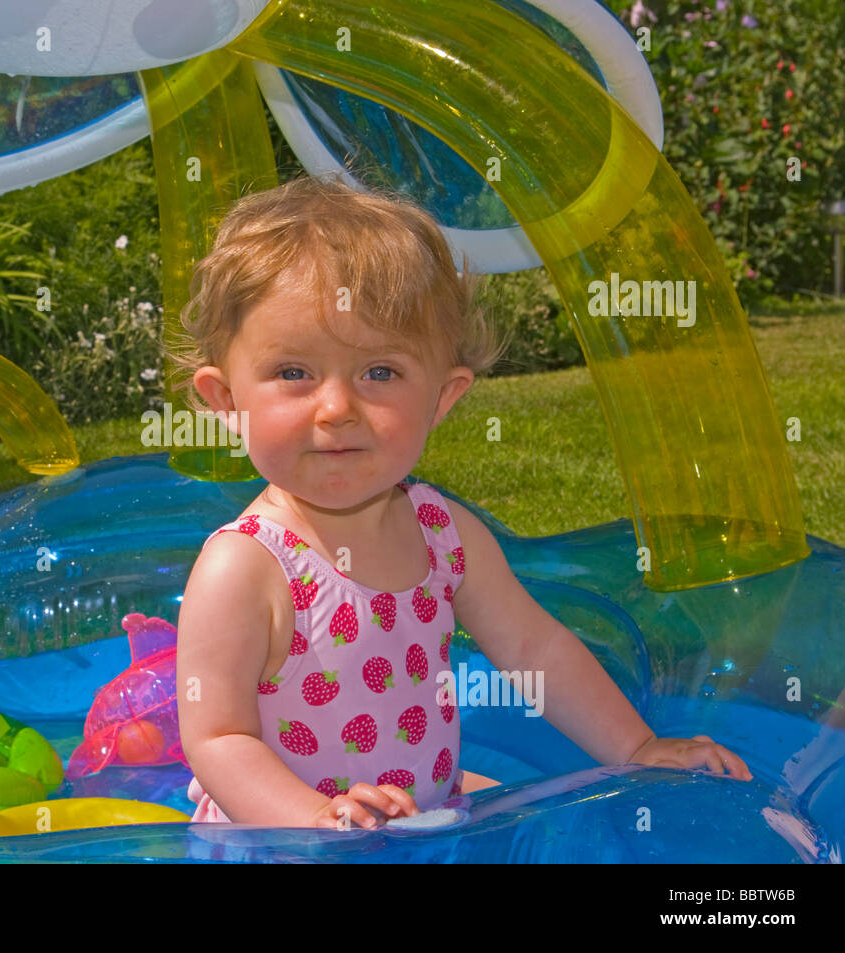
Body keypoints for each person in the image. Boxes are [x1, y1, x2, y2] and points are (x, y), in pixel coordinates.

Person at [166, 175, 752, 830]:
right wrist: (319, 819)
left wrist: (638, 746)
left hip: (426, 830)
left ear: (443, 397)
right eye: (294, 373)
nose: (336, 409)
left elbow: (537, 649)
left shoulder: (443, 532)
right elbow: (218, 738)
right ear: (226, 401)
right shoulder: (245, 567)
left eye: (379, 373)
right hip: (279, 845)